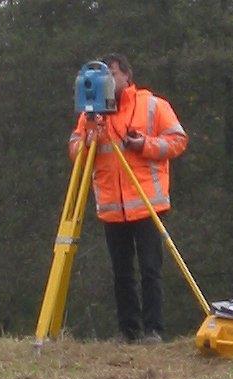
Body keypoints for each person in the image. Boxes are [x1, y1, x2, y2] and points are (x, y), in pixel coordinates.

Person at [69, 53, 188, 344]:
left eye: (112, 73)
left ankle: (154, 330)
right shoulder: (90, 115)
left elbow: (178, 140)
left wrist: (144, 145)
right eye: (102, 75)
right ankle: (128, 330)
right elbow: (75, 152)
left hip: (147, 202)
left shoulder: (152, 105)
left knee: (150, 269)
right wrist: (88, 138)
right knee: (121, 273)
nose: (106, 80)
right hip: (112, 206)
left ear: (127, 76)